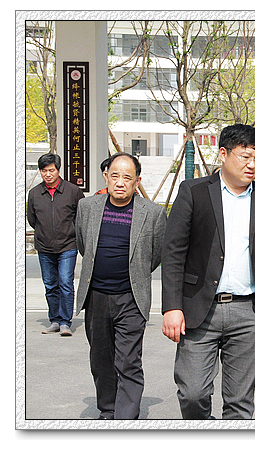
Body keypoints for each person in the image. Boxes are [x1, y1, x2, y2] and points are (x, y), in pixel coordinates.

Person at [161, 124, 255, 420]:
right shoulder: (194, 192)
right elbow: (173, 253)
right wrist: (172, 306)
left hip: (249, 311)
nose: (252, 164)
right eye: (245, 156)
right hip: (198, 309)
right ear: (223, 153)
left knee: (239, 402)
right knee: (193, 393)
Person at [75, 152, 167, 419]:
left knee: (128, 360)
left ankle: (126, 418)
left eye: (127, 177)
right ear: (106, 176)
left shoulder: (153, 213)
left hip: (131, 298)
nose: (120, 182)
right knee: (101, 359)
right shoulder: (87, 207)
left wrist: (135, 275)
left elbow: (156, 255)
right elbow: (83, 245)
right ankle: (108, 410)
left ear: (137, 181)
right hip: (96, 296)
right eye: (114, 175)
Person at [27, 153, 85, 337]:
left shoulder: (73, 191)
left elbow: (81, 216)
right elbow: (32, 220)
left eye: (51, 170)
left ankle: (65, 322)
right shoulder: (34, 193)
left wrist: (71, 232)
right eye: (44, 171)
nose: (48, 174)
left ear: (58, 170)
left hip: (68, 245)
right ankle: (55, 320)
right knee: (50, 285)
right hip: (44, 247)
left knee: (66, 282)